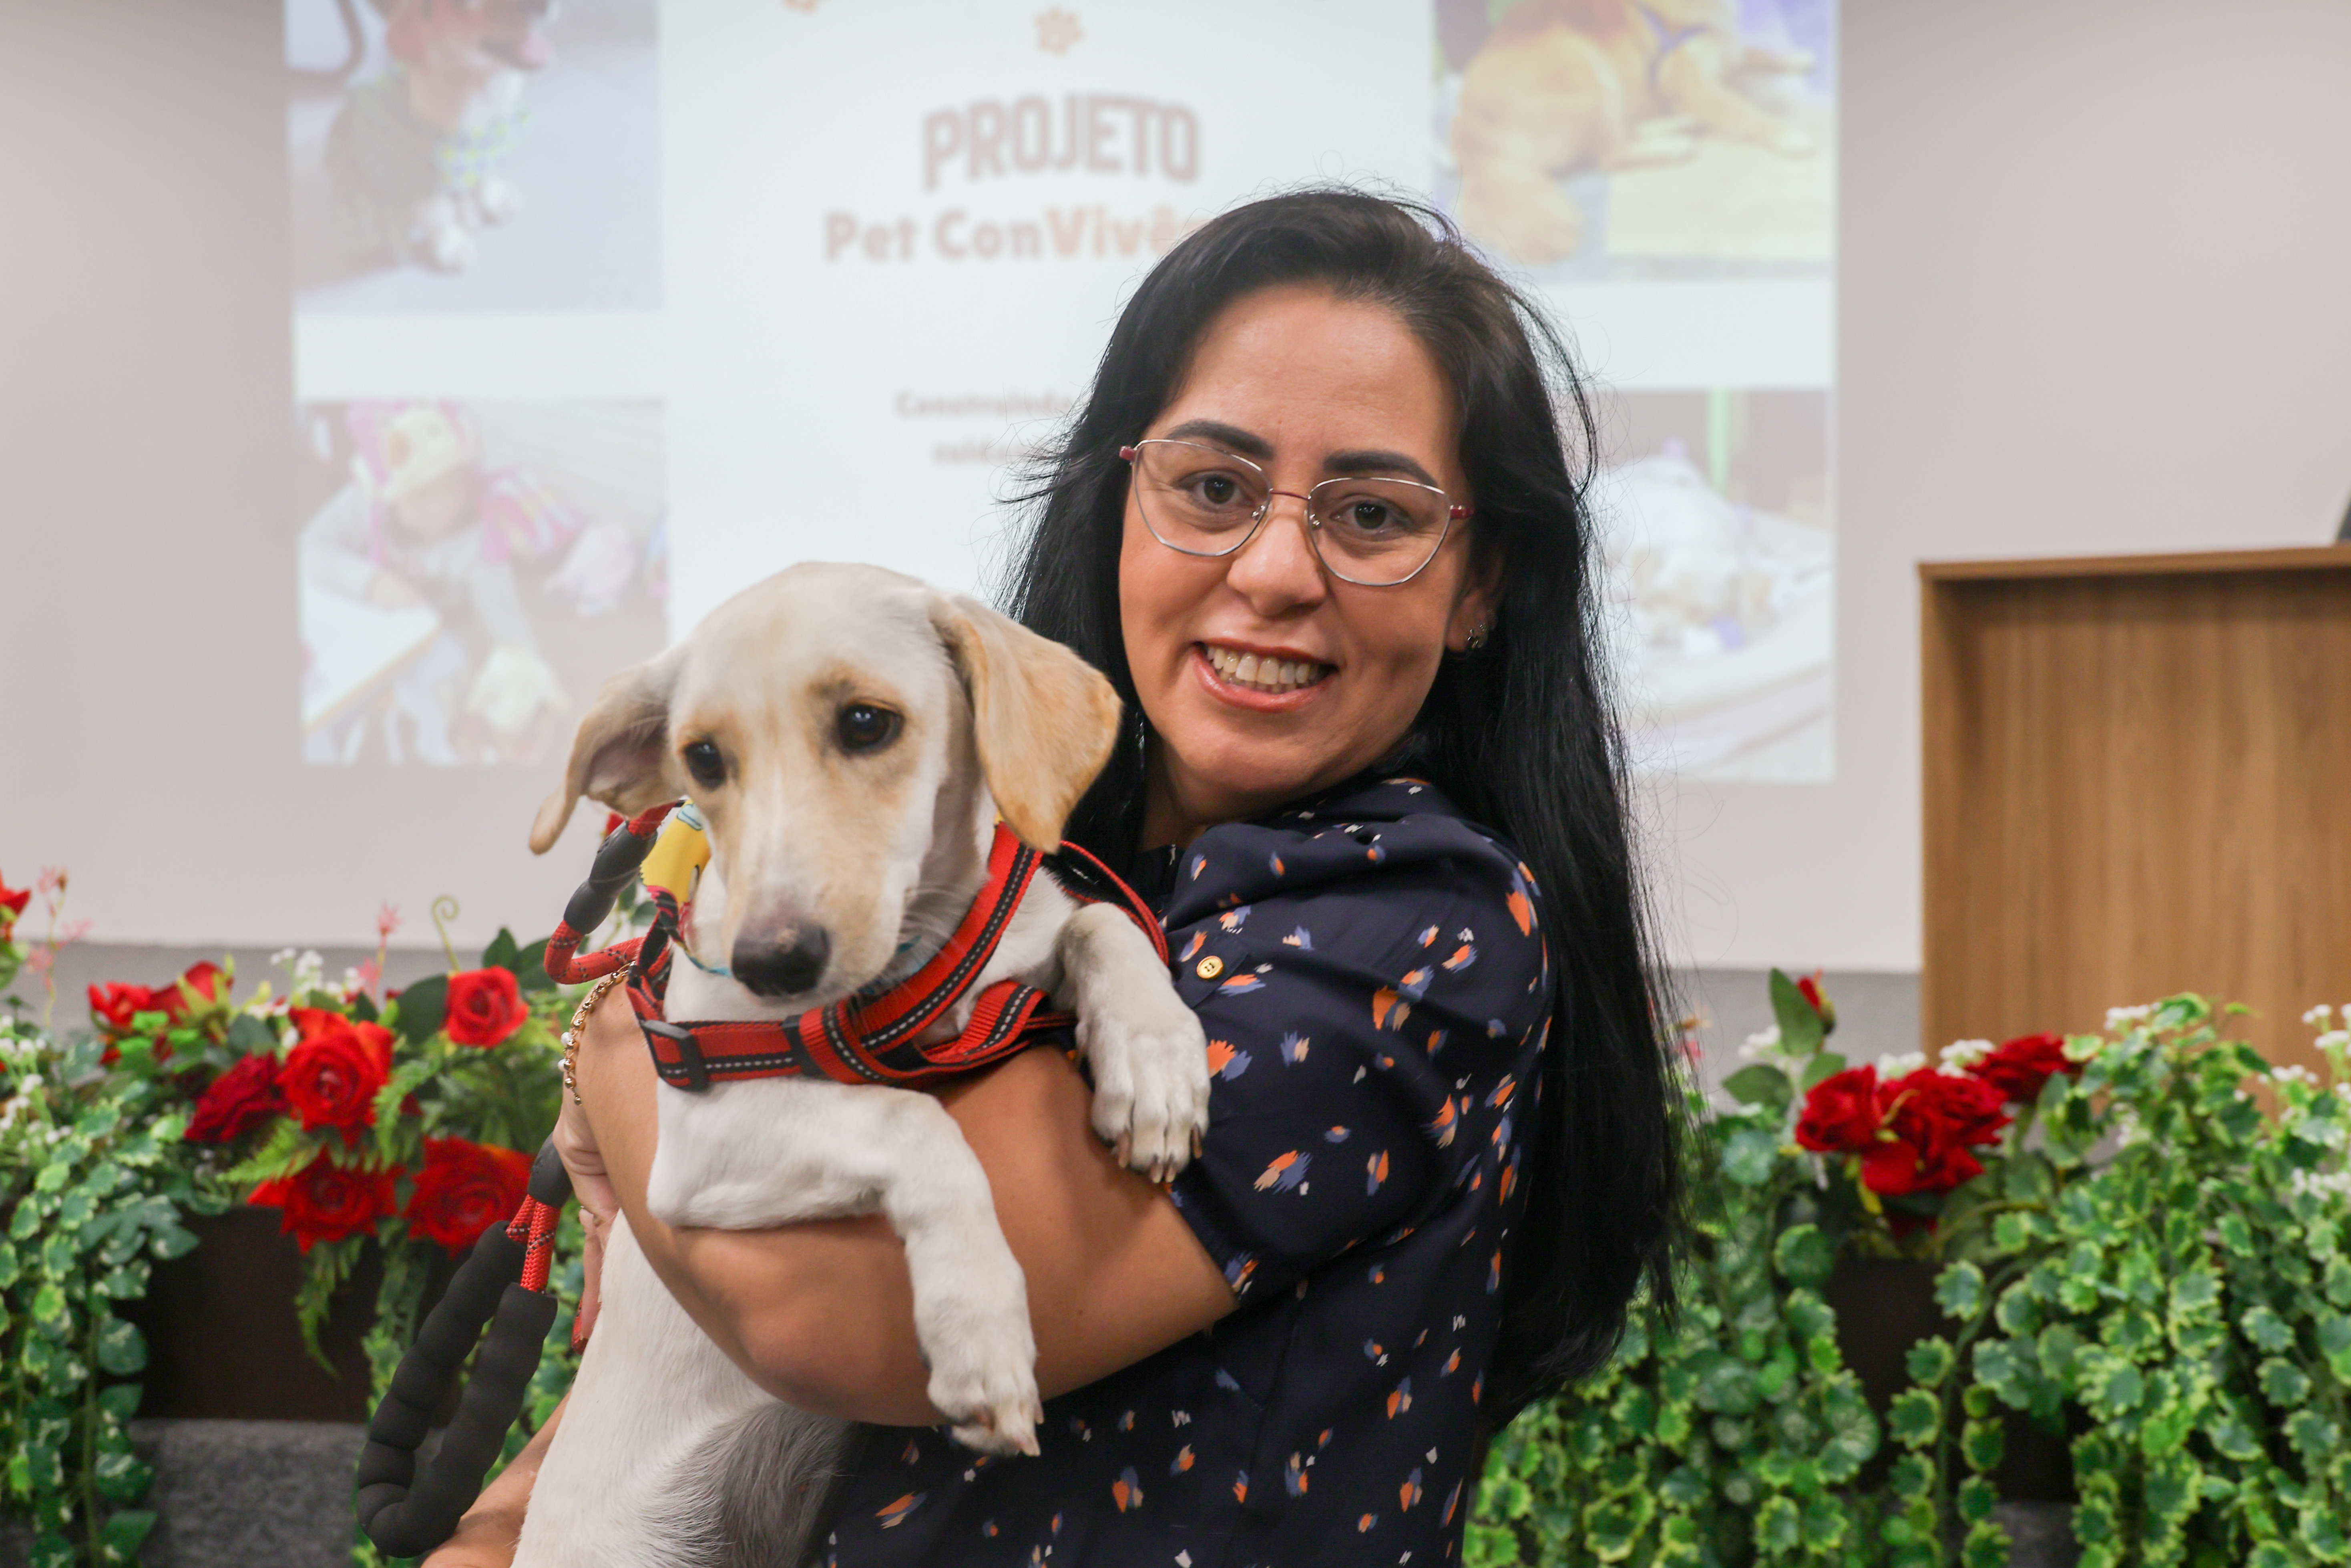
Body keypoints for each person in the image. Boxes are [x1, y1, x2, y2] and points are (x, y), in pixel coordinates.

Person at [427, 189, 1683, 1566]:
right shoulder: (1049, 854)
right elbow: (682, 1363)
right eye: (1212, 487)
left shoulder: (1410, 924)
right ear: (1118, 500)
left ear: (1481, 581)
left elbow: (809, 1319)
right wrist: (493, 1532)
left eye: (1372, 514)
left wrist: (621, 1041)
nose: (1272, 570)